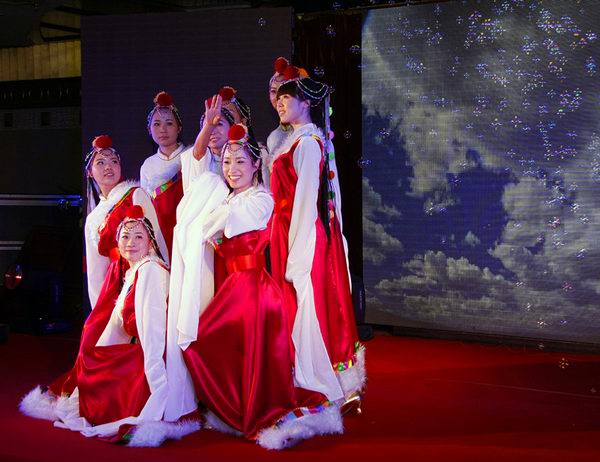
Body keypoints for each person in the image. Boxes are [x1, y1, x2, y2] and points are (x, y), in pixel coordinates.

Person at [167, 124, 343, 449]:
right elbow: (205, 221)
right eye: (226, 162)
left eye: (240, 162)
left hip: (254, 289)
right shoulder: (228, 198)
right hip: (235, 287)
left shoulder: (261, 200)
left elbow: (213, 225)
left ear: (255, 164)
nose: (232, 169)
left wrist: (210, 216)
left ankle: (256, 412)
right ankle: (236, 408)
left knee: (225, 347)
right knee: (204, 345)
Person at [19, 209, 199, 446]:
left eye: (139, 237)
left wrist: (158, 388)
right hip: (142, 350)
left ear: (151, 243)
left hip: (154, 357)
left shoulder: (150, 271)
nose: (130, 243)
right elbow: (115, 328)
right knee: (91, 360)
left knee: (101, 372)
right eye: (125, 237)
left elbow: (153, 332)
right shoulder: (135, 271)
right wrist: (95, 358)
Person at [270, 65, 366, 409]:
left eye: (287, 97)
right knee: (300, 305)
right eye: (279, 98)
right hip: (289, 230)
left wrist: (297, 252)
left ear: (306, 102)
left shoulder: (309, 143)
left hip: (301, 232)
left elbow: (306, 200)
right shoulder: (296, 140)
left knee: (309, 305)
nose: (280, 103)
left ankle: (320, 381)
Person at [83, 135, 167, 309]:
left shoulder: (135, 195)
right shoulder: (92, 218)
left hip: (141, 275)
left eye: (114, 161)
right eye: (100, 163)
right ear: (89, 172)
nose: (108, 167)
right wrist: (98, 306)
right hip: (112, 284)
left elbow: (156, 240)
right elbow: (95, 272)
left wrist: (163, 281)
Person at [140, 91, 186, 259]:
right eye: (157, 124)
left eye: (169, 123)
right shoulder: (148, 165)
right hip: (159, 233)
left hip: (185, 227)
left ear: (179, 127)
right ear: (149, 129)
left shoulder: (189, 156)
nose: (163, 130)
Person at [179, 93, 235, 192]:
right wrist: (209, 125)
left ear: (231, 127)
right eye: (206, 127)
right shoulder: (193, 157)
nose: (212, 131)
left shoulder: (242, 155)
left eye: (219, 124)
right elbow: (198, 154)